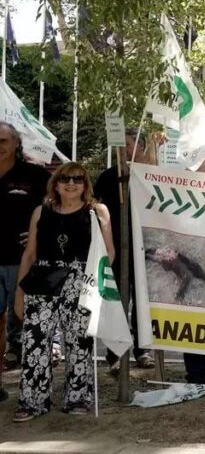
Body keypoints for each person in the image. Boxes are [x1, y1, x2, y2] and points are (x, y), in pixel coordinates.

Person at [13, 163, 114, 421]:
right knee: (35, 341)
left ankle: (78, 396)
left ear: (85, 183)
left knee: (79, 341)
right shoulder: (41, 211)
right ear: (56, 183)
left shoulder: (97, 211)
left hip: (80, 280)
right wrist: (19, 294)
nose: (71, 183)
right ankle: (33, 401)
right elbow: (30, 254)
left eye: (78, 178)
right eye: (65, 178)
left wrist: (95, 283)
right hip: (42, 279)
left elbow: (109, 252)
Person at [93, 128, 157, 375]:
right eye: (119, 146)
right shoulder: (108, 177)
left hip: (146, 249)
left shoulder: (150, 175)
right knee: (117, 301)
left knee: (142, 301)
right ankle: (115, 354)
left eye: (127, 145)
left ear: (140, 146)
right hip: (116, 250)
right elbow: (95, 207)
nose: (122, 151)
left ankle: (143, 351)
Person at [0, 123, 50, 402]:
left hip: (24, 262)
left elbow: (58, 205)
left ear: (16, 144)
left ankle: (34, 387)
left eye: (3, 140)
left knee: (31, 323)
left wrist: (40, 234)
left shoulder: (34, 175)